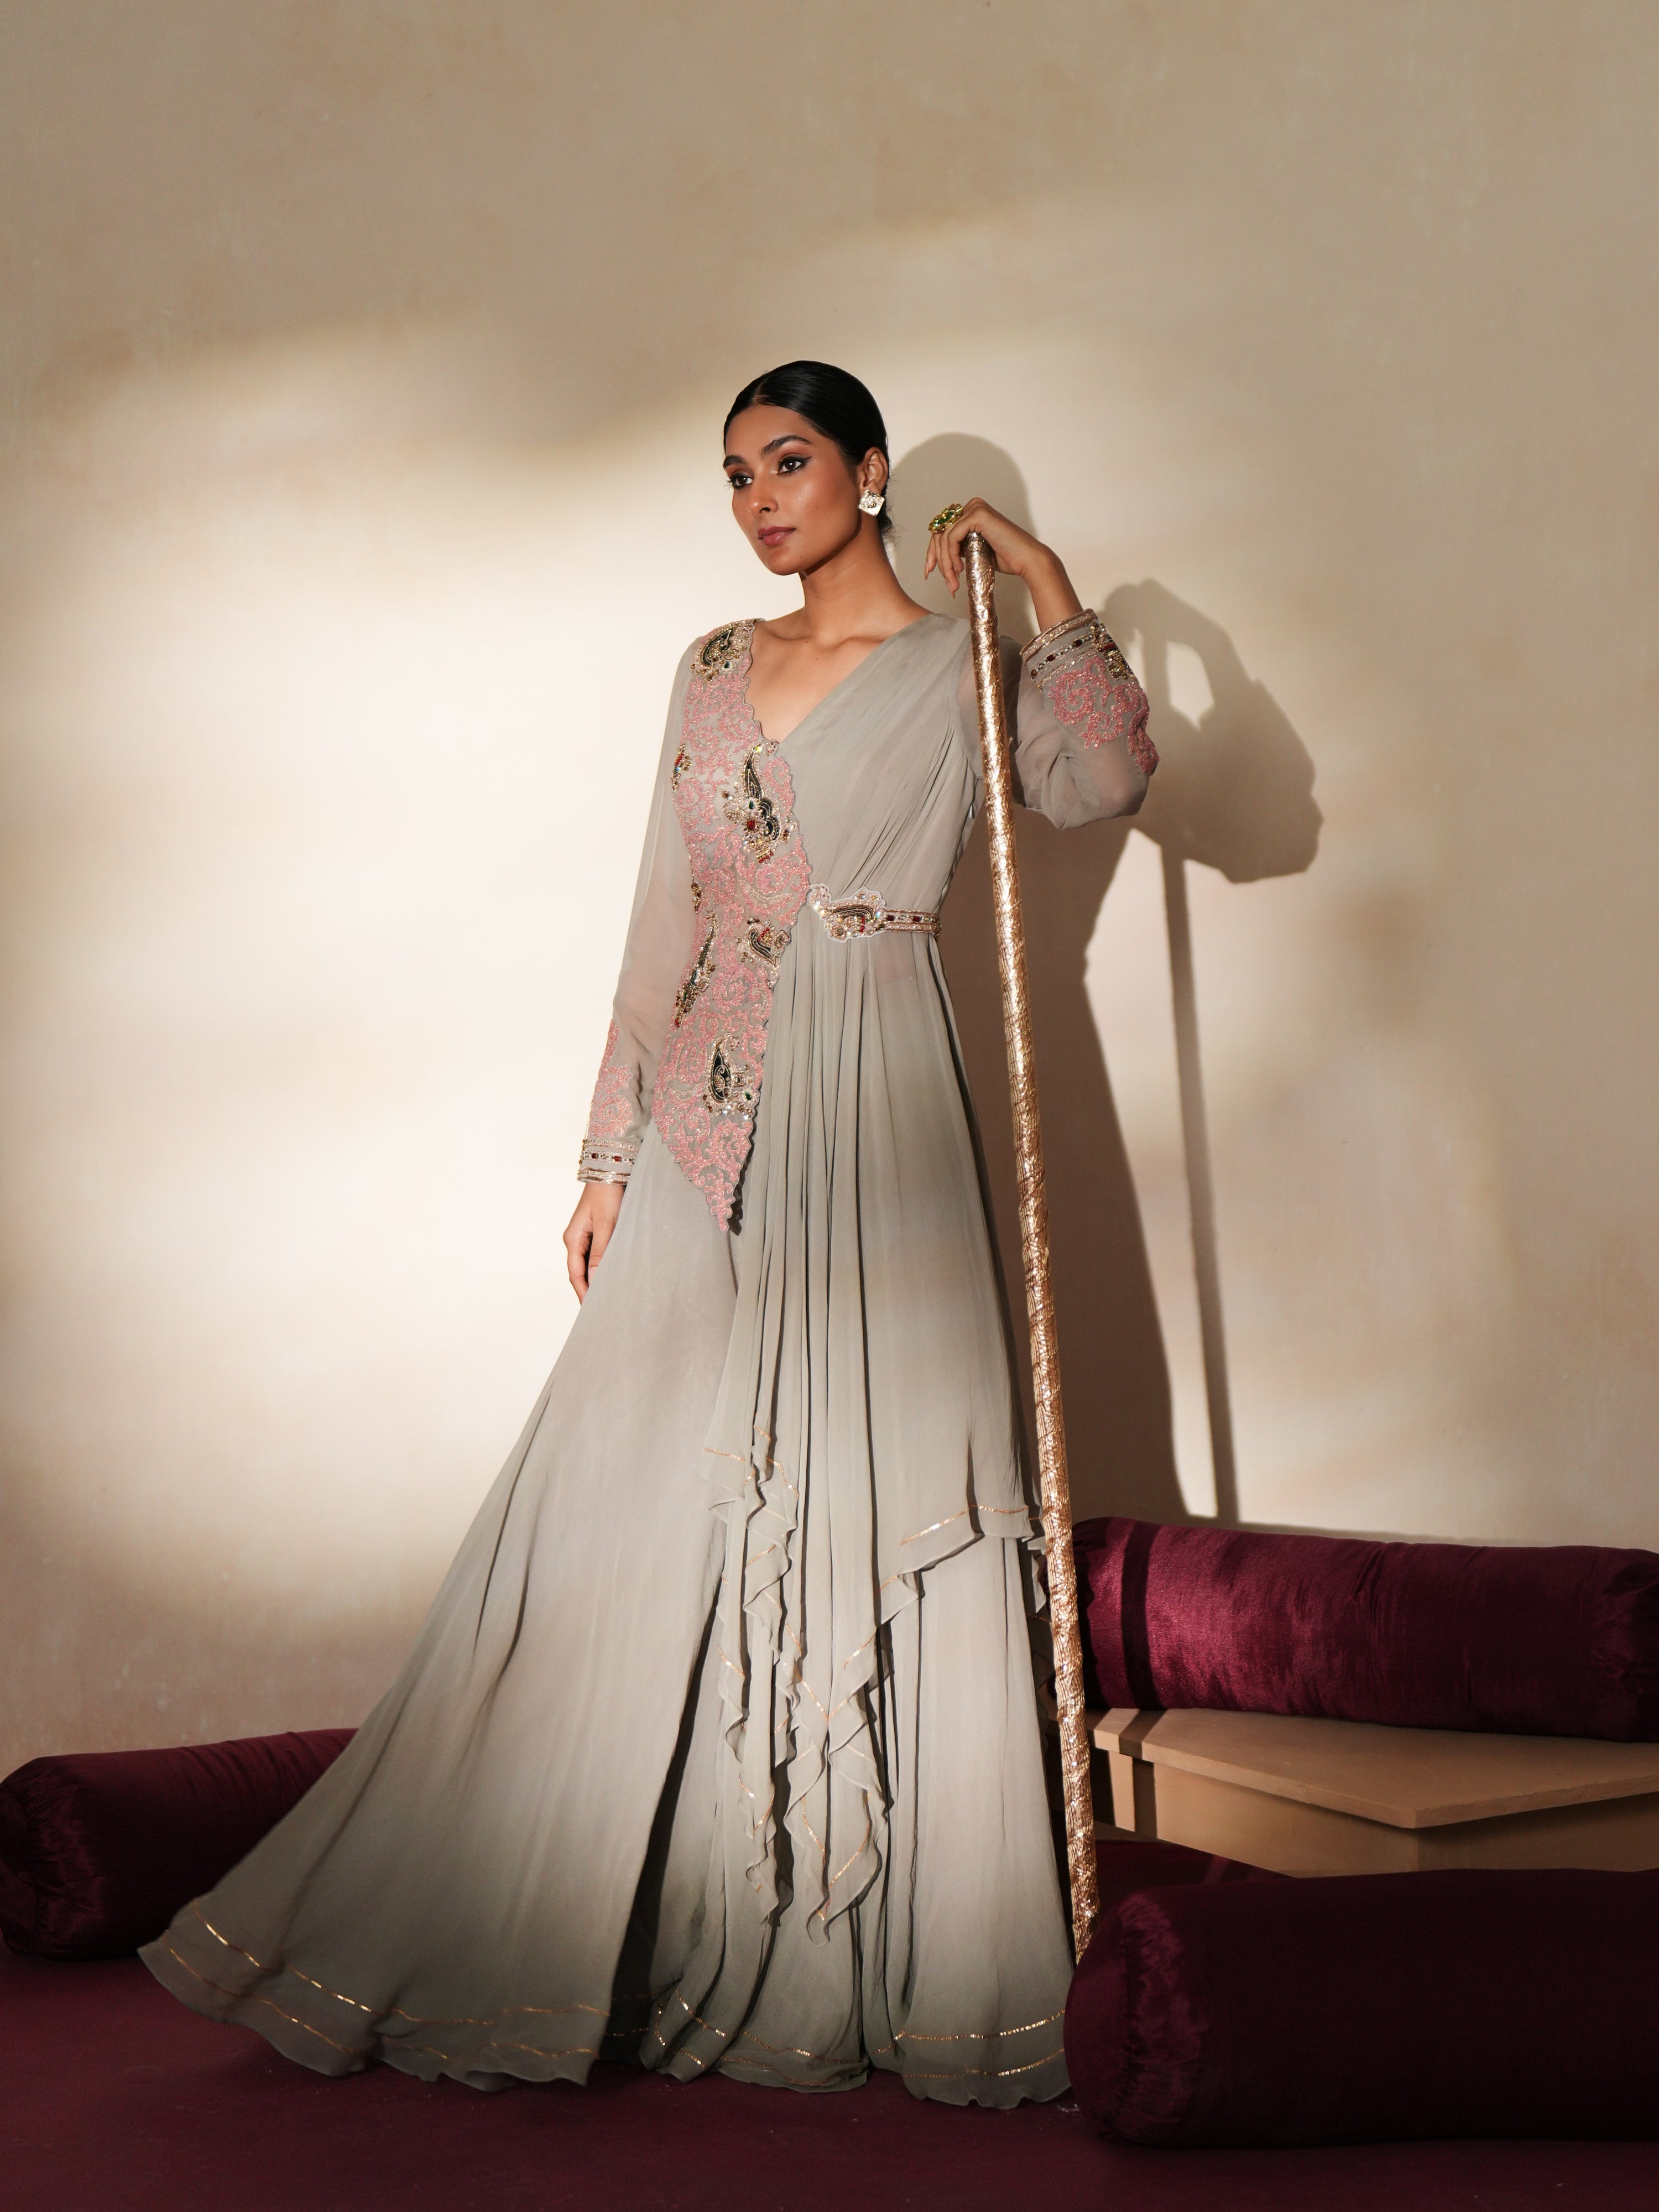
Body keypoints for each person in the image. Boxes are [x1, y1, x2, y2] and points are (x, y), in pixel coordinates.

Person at [142, 361, 1156, 2105]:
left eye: (789, 462)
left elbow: (1095, 788)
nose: (760, 499)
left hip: (885, 1096)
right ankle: (568, 1904)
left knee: (869, 1479)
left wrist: (1052, 595)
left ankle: (877, 1936)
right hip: (708, 1118)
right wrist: (609, 1155)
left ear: (871, 470)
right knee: (628, 1493)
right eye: (735, 475)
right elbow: (663, 923)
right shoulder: (707, 675)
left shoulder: (959, 663)